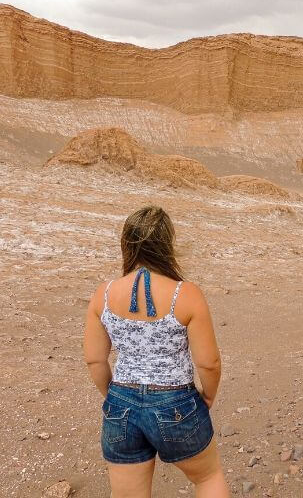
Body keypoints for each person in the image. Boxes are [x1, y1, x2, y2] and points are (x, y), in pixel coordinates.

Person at [83, 206, 229, 498]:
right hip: (175, 401)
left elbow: (95, 359)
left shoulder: (105, 294)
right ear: (167, 245)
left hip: (121, 402)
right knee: (207, 478)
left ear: (127, 243)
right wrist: (208, 396)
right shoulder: (185, 294)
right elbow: (208, 362)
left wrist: (116, 398)